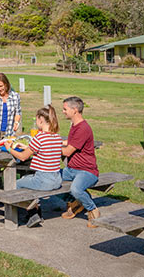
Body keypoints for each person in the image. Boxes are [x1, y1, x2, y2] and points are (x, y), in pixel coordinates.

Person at [7, 105, 63, 227]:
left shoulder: (40, 137)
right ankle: (36, 211)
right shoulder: (57, 137)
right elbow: (44, 149)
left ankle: (32, 212)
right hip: (57, 179)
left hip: (43, 180)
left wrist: (9, 149)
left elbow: (22, 157)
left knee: (14, 184)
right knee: (26, 180)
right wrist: (28, 147)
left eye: (36, 120)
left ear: (40, 120)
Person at [59, 96, 101, 228]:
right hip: (71, 169)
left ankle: (93, 210)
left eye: (65, 109)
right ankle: (76, 203)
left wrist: (49, 145)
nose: (63, 111)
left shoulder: (83, 128)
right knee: (50, 179)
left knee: (76, 189)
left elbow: (67, 152)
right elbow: (69, 143)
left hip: (87, 171)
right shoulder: (74, 125)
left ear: (75, 109)